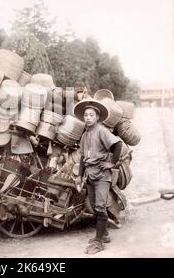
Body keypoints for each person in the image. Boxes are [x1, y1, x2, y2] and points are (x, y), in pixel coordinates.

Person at [73, 98, 122, 254]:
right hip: (89, 174)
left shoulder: (101, 131)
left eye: (91, 115)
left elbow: (117, 145)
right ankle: (104, 234)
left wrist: (112, 163)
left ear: (97, 118)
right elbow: (82, 157)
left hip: (101, 175)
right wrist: (80, 176)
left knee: (100, 207)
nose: (88, 117)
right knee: (94, 207)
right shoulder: (85, 135)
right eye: (86, 115)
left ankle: (99, 242)